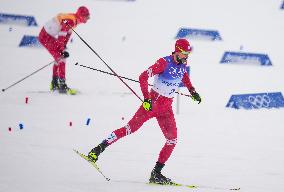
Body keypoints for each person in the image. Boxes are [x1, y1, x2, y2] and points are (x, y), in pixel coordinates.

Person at [87, 39, 201, 185]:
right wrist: (146, 99)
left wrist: (192, 91)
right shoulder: (163, 63)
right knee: (129, 129)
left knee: (172, 140)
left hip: (166, 108)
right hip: (152, 104)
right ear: (177, 51)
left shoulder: (182, 64)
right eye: (185, 53)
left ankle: (156, 173)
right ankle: (97, 150)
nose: (187, 56)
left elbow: (184, 76)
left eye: (188, 54)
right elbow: (143, 76)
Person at [38, 6, 90, 94]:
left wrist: (64, 47)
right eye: (86, 16)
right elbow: (62, 34)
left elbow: (67, 35)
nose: (88, 19)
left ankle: (55, 83)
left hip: (47, 36)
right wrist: (62, 49)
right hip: (45, 36)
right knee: (61, 57)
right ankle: (62, 85)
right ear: (81, 16)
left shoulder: (74, 20)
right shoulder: (71, 20)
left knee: (60, 57)